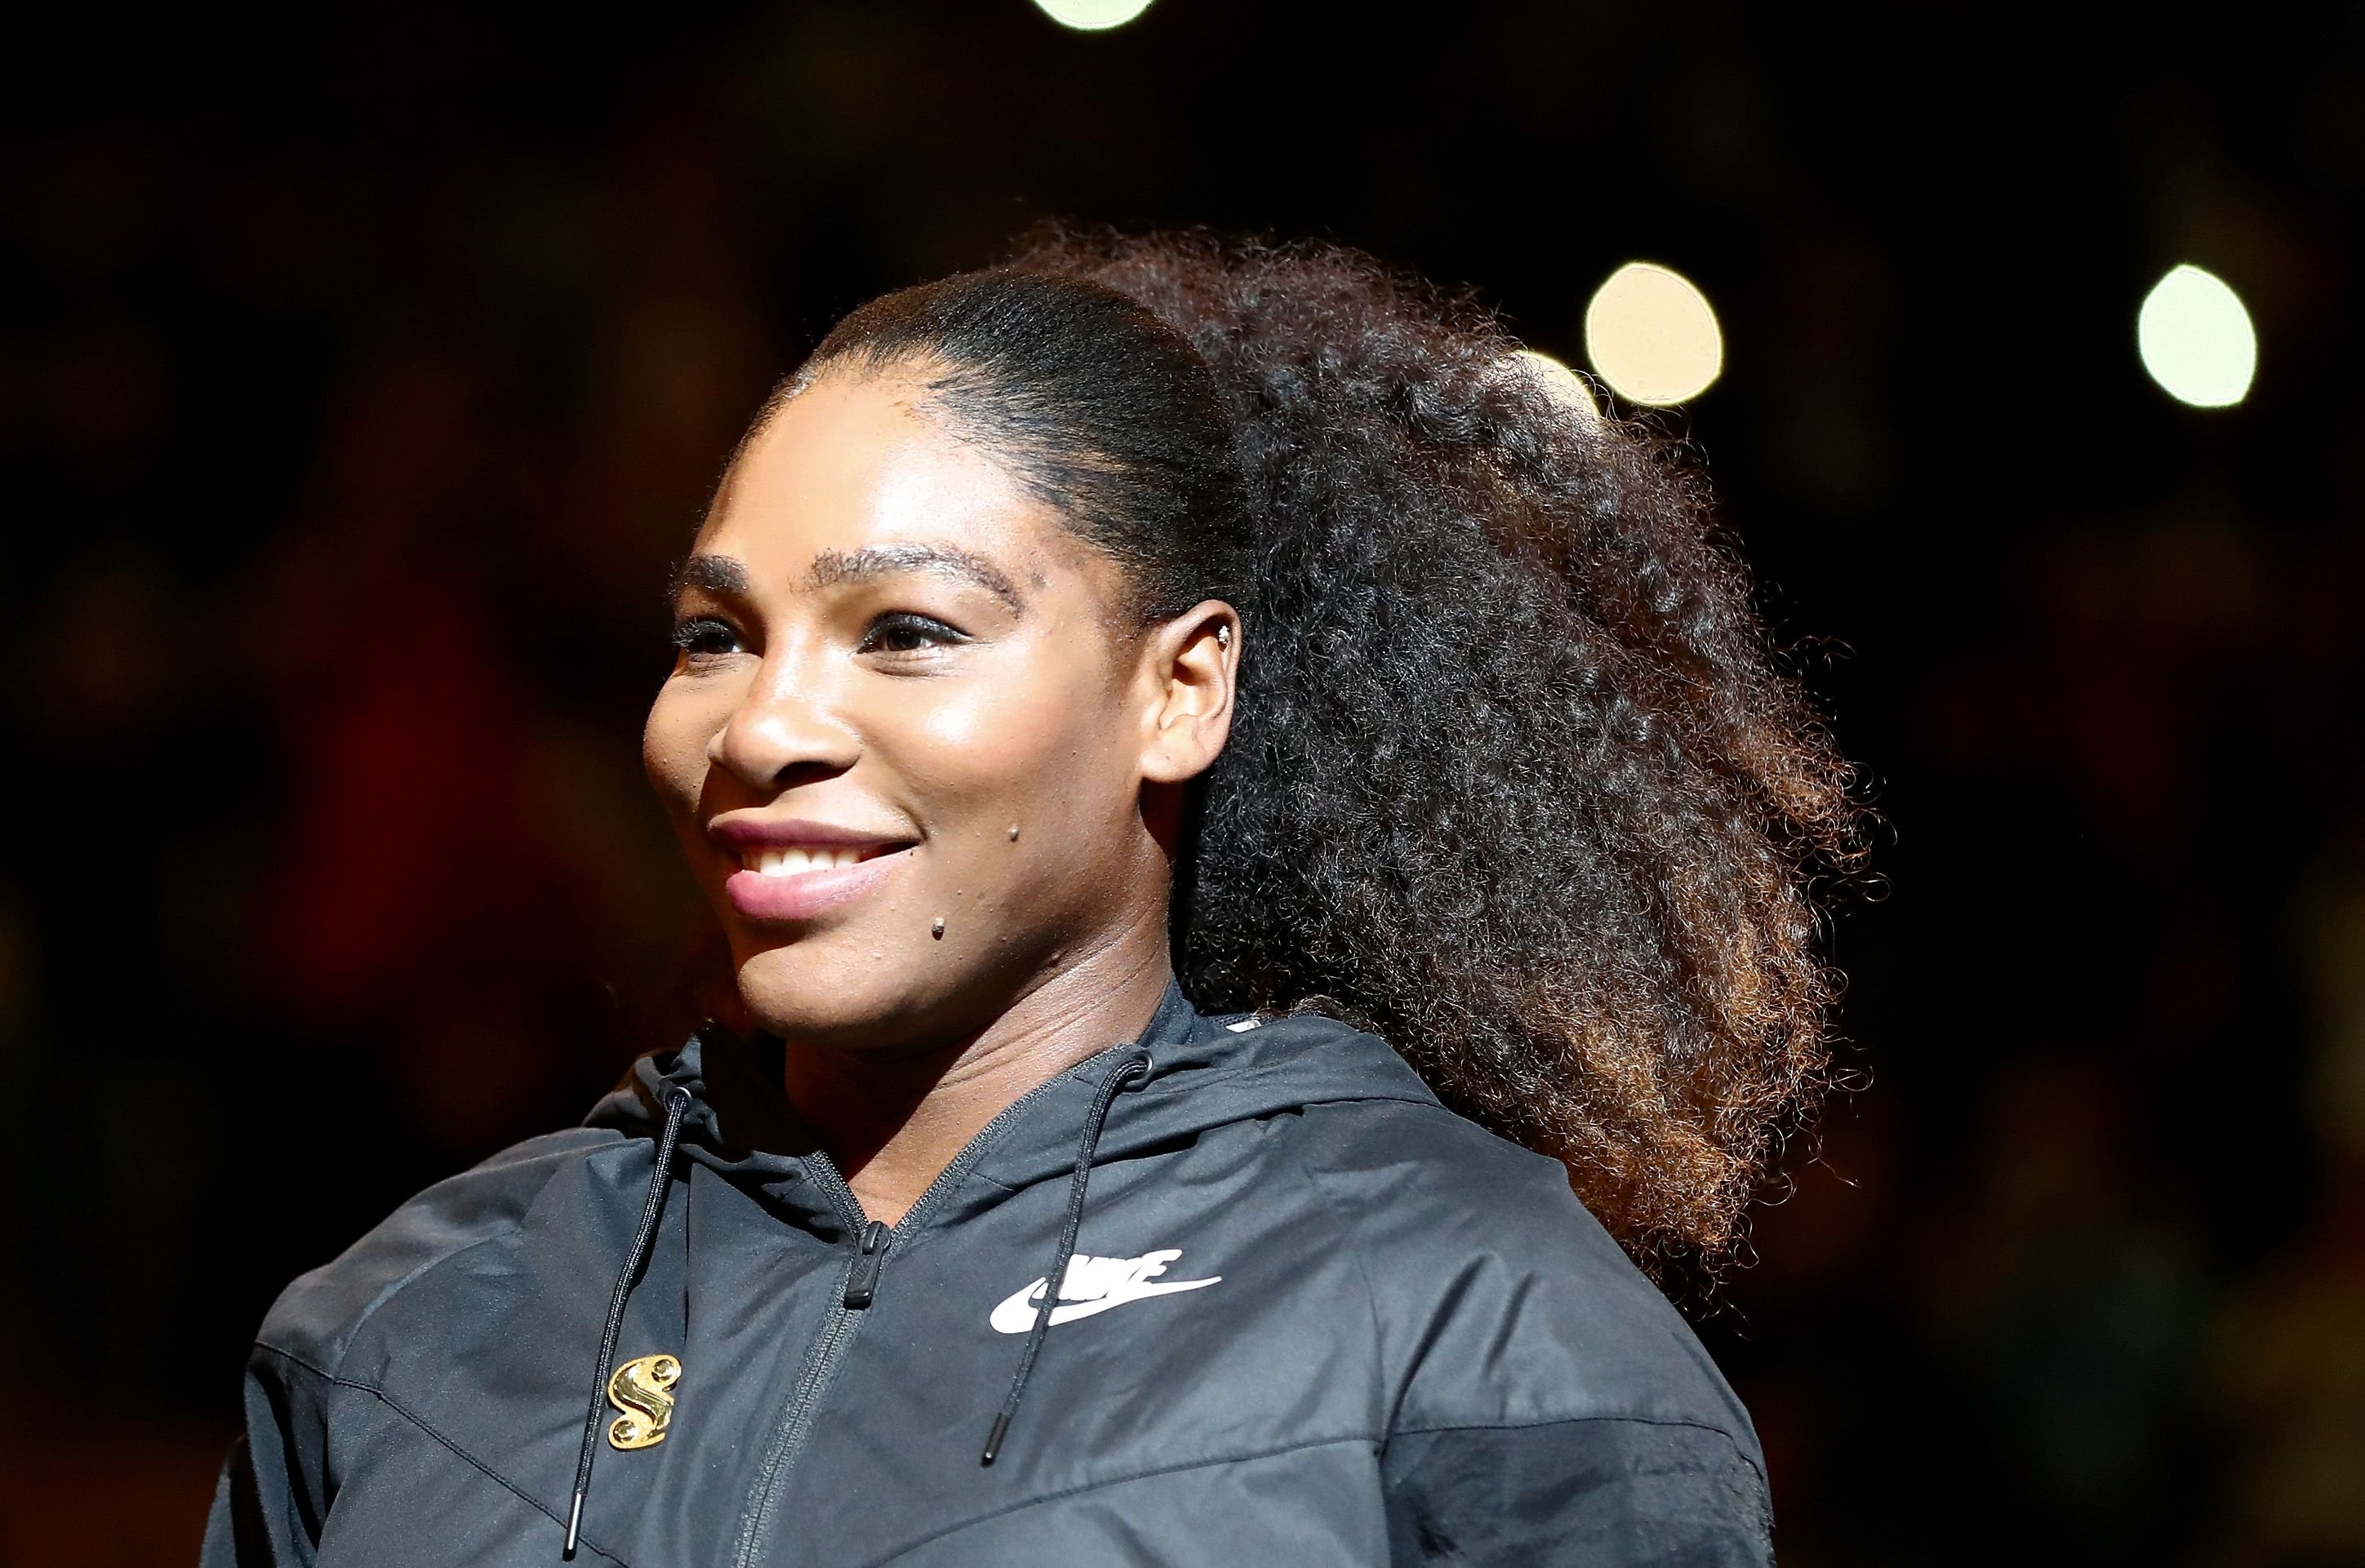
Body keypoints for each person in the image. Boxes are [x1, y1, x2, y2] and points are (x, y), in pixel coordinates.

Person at [203, 229, 1860, 1566]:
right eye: (716, 637)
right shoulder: (406, 1321)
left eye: (907, 630)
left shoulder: (1471, 1331)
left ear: (1179, 690)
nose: (764, 725)